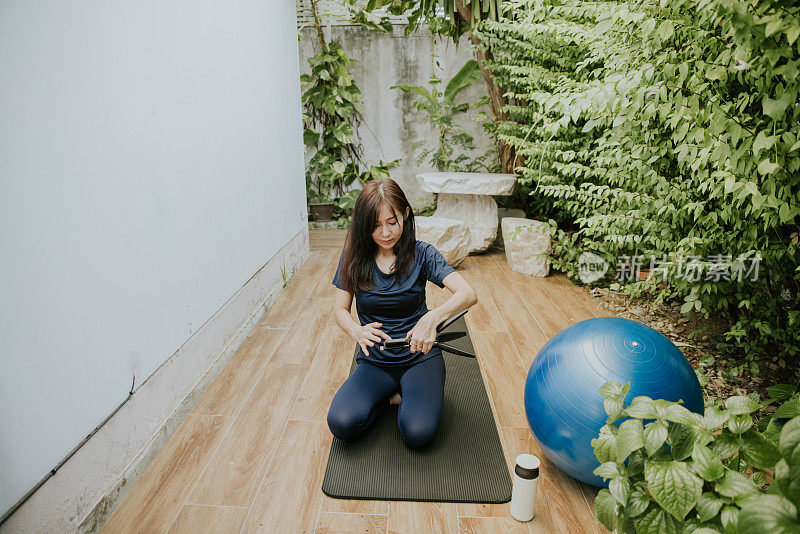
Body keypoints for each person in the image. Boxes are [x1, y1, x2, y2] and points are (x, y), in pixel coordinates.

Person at [326, 178, 478, 448]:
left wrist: (431, 318)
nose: (385, 232)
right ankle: (393, 397)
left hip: (420, 356)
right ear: (364, 224)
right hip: (375, 360)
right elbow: (340, 310)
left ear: (406, 215)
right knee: (341, 423)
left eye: (392, 222)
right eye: (375, 225)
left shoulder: (422, 253)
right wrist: (357, 331)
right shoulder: (353, 255)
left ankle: (408, 393)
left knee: (417, 433)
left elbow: (468, 294)